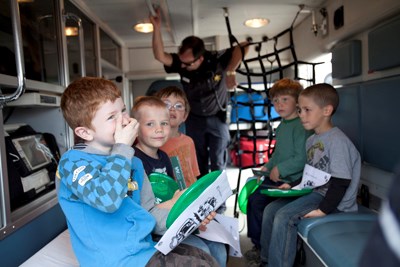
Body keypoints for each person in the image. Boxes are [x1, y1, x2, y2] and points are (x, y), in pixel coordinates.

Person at [57, 77, 218, 267]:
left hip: (143, 250)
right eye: (111, 117)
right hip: (112, 261)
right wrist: (122, 147)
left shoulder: (133, 161)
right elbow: (106, 200)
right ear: (85, 133)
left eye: (123, 110)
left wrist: (191, 218)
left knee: (204, 258)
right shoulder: (73, 162)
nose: (125, 120)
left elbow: (150, 212)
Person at [258, 83, 361, 267]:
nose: (301, 115)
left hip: (333, 201)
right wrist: (292, 184)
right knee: (270, 210)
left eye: (307, 110)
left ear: (327, 110)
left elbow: (341, 182)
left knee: (284, 216)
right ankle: (266, 259)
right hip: (315, 191)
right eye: (299, 110)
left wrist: (323, 210)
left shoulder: (338, 142)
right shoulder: (312, 140)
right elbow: (311, 172)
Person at [150, 8, 249, 178]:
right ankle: (202, 199)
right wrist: (156, 28)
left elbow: (244, 46)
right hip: (194, 118)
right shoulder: (182, 63)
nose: (184, 67)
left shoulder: (215, 59)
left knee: (218, 160)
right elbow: (160, 55)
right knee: (198, 161)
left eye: (188, 64)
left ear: (200, 58)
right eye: (182, 63)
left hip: (217, 116)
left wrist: (231, 70)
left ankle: (220, 202)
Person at [131, 95, 228, 267]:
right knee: (202, 251)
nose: (159, 129)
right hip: (156, 228)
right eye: (150, 124)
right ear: (136, 129)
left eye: (164, 123)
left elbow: (172, 193)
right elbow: (140, 210)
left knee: (219, 247)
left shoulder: (165, 157)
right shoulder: (133, 161)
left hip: (174, 218)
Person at [244, 78, 312, 265]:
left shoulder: (301, 126)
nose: (279, 104)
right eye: (275, 101)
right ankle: (258, 245)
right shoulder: (282, 125)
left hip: (294, 180)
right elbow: (278, 154)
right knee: (253, 198)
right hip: (277, 176)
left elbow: (301, 158)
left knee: (259, 202)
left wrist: (279, 169)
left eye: (284, 100)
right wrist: (268, 166)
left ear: (297, 101)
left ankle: (260, 247)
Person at [155, 86, 200, 187]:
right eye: (166, 104)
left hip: (189, 196)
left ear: (185, 116)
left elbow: (193, 175)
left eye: (178, 106)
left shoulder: (189, 141)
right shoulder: (153, 143)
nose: (172, 109)